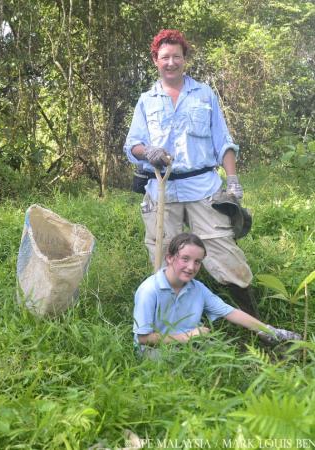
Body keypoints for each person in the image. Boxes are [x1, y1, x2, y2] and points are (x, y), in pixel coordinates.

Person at [124, 29, 259, 316]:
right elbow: (132, 144)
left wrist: (232, 180)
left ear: (185, 59)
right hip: (161, 188)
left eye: (176, 56)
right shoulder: (147, 100)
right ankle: (173, 323)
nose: (170, 62)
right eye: (164, 57)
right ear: (155, 61)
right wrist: (148, 152)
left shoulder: (204, 94)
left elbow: (223, 141)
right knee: (163, 257)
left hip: (202, 187)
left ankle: (255, 324)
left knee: (223, 251)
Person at [133, 233, 300, 352]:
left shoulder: (196, 288)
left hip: (189, 347)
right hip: (155, 353)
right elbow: (144, 339)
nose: (191, 267)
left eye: (197, 262)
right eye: (185, 259)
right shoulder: (149, 290)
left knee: (228, 362)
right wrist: (187, 336)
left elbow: (230, 312)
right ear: (169, 258)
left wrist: (270, 331)